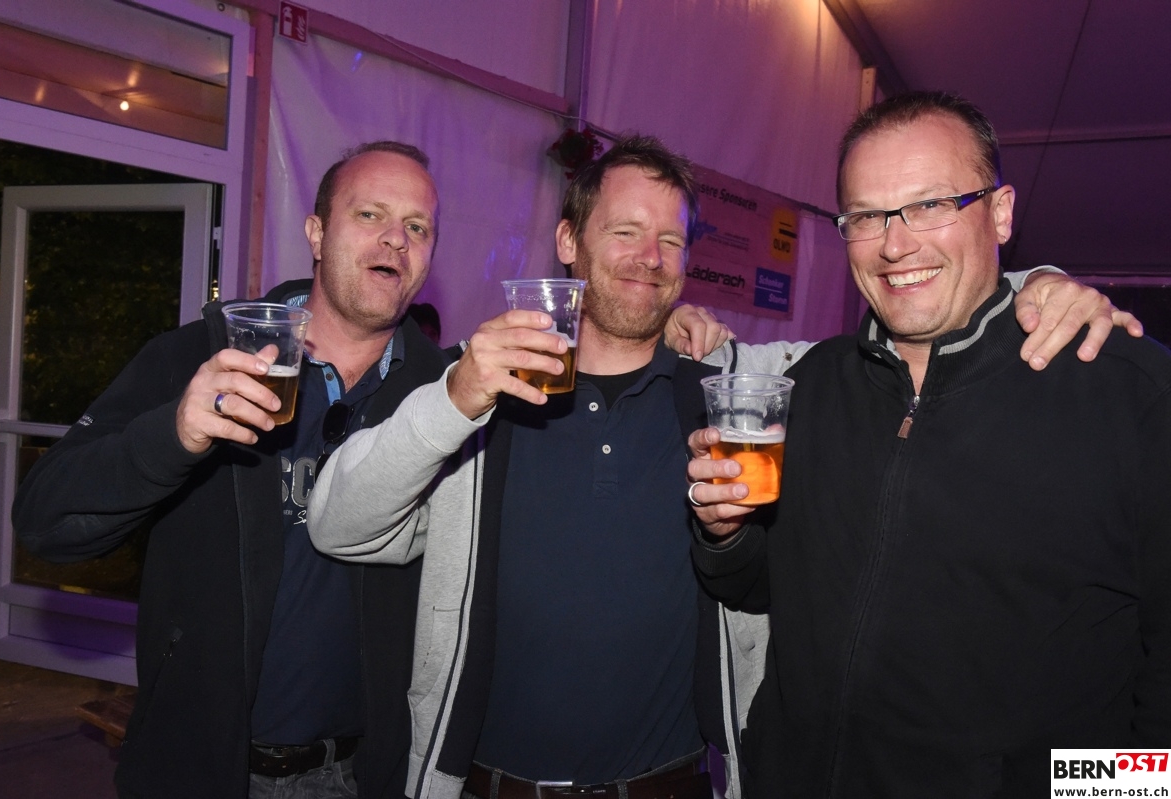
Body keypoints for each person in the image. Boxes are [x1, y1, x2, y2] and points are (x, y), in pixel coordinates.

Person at [305, 133, 1136, 799]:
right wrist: (457, 396)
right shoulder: (480, 397)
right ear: (568, 242)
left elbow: (914, 314)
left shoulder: (739, 393)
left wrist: (1035, 283)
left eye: (670, 239)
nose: (649, 256)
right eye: (624, 232)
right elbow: (337, 523)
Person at [686, 90, 1171, 797]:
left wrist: (1104, 790)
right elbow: (768, 590)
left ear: (1000, 213)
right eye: (866, 216)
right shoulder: (810, 387)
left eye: (931, 205)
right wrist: (725, 535)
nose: (895, 244)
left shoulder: (1129, 395)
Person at [12, 141, 449, 799]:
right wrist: (174, 436)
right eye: (369, 214)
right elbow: (45, 522)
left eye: (417, 226)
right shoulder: (199, 358)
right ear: (316, 234)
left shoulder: (446, 398)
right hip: (200, 766)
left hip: (361, 774)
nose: (396, 238)